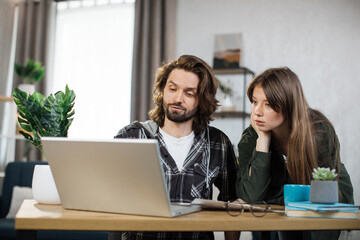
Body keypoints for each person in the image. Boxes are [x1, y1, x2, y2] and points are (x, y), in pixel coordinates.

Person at [110, 55, 238, 240]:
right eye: (172, 89)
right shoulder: (131, 136)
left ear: (202, 100)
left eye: (189, 93)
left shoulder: (218, 143)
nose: (178, 98)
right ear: (162, 89)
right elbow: (107, 197)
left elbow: (232, 201)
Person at [236, 67, 354, 240]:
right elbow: (250, 194)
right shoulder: (251, 136)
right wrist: (262, 141)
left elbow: (320, 195)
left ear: (288, 105)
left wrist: (269, 196)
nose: (257, 111)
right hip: (281, 212)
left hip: (331, 205)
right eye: (254, 102)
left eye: (267, 104)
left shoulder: (319, 130)